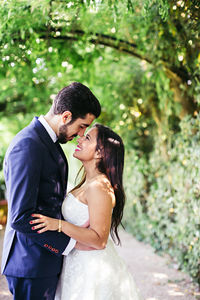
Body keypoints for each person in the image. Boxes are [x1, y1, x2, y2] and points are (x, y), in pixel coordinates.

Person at [1, 82, 101, 300]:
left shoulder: (48, 142)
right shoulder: (28, 145)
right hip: (30, 264)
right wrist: (72, 244)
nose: (81, 134)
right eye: (82, 126)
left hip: (43, 262)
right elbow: (20, 217)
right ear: (65, 116)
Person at [31, 123, 142, 300]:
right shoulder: (87, 183)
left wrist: (59, 225)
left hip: (93, 269)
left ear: (99, 153)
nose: (80, 138)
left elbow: (99, 240)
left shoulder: (99, 187)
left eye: (88, 137)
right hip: (76, 263)